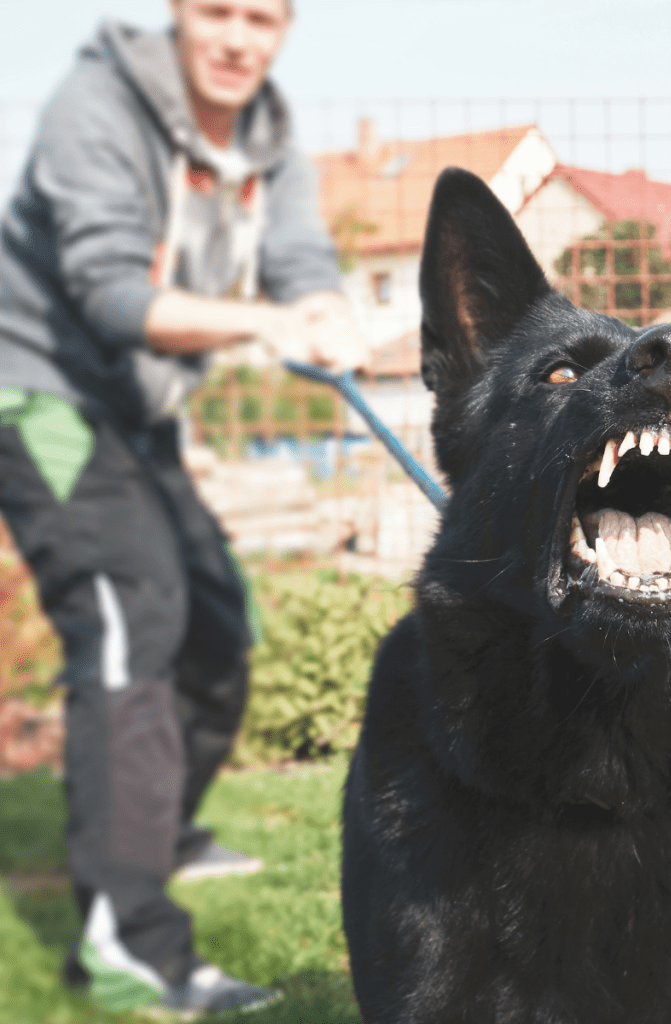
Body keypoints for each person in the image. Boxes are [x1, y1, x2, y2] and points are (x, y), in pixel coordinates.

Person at [0, 0, 365, 1014]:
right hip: (41, 396)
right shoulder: (96, 104)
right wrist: (268, 322)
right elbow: (114, 296)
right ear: (176, 12)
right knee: (132, 616)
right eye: (217, 11)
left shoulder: (267, 133)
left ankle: (155, 831)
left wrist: (326, 310)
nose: (238, 38)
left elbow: (299, 259)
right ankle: (127, 944)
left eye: (263, 17)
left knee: (215, 627)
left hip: (140, 417)